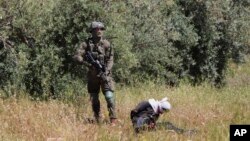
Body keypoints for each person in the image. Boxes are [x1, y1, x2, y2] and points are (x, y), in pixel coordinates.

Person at [73, 21, 117, 124]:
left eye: (101, 29)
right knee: (94, 99)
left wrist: (107, 70)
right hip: (93, 76)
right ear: (92, 31)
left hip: (105, 75)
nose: (99, 31)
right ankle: (97, 118)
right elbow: (77, 55)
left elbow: (110, 59)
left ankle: (113, 119)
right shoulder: (86, 44)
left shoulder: (106, 44)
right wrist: (85, 63)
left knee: (109, 97)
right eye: (97, 29)